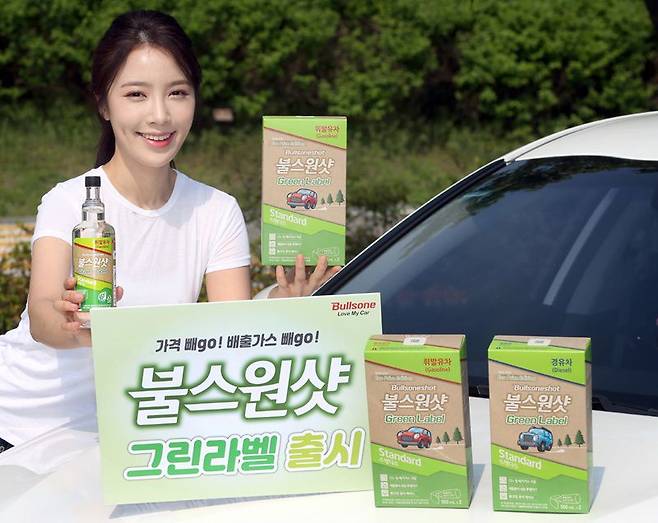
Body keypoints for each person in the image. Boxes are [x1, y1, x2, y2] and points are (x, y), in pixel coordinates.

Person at [0, 10, 339, 454]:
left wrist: (283, 302)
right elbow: (43, 316)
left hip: (125, 436)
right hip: (18, 428)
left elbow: (231, 332)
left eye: (177, 93)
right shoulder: (69, 201)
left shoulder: (217, 210)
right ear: (104, 104)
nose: (160, 115)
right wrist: (74, 322)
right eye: (136, 94)